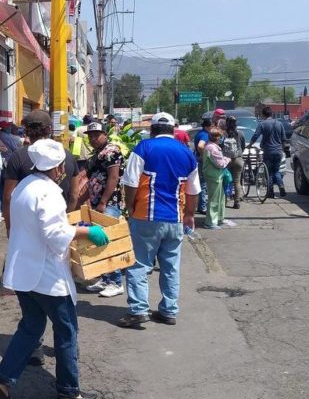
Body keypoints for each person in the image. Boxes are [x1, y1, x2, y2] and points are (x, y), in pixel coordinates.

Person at [0, 139, 107, 399]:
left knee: (31, 326)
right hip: (46, 274)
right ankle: (68, 389)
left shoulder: (24, 187)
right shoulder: (49, 193)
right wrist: (87, 231)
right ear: (59, 167)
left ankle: (2, 380)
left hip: (24, 271)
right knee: (66, 329)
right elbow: (55, 235)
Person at [117, 113, 200, 328]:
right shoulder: (187, 153)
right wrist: (189, 214)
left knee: (139, 265)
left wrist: (130, 207)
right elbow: (194, 191)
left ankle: (138, 310)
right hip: (175, 218)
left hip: (146, 216)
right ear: (173, 130)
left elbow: (131, 183)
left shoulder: (144, 148)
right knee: (171, 266)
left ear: (152, 130)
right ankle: (169, 310)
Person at [3, 110, 80, 235]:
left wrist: (9, 227)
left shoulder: (18, 156)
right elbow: (74, 194)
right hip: (58, 227)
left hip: (26, 228)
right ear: (49, 129)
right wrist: (66, 223)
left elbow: (8, 197)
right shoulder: (66, 154)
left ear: (26, 130)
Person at [79, 121, 125, 298]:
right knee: (99, 241)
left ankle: (116, 282)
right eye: (90, 136)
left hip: (109, 203)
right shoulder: (96, 155)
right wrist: (85, 200)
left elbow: (113, 178)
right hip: (97, 202)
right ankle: (106, 278)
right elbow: (91, 180)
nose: (92, 138)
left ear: (105, 134)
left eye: (96, 135)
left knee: (107, 242)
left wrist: (104, 201)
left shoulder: (111, 151)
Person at [249, 106, 287, 199]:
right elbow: (284, 139)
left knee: (269, 172)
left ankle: (270, 192)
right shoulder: (279, 124)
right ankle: (281, 185)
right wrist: (282, 149)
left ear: (263, 114)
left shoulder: (262, 124)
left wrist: (250, 144)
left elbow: (255, 136)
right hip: (278, 151)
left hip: (268, 151)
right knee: (276, 171)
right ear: (271, 114)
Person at [202, 128, 232, 230]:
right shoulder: (212, 148)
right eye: (220, 136)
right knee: (214, 199)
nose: (222, 138)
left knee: (220, 198)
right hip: (214, 176)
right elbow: (220, 164)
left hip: (216, 175)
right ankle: (210, 222)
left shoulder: (212, 146)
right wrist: (227, 159)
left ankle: (219, 218)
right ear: (216, 137)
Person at [222, 117, 246, 209]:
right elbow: (243, 146)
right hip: (238, 159)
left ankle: (224, 200)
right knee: (237, 182)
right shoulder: (240, 133)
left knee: (225, 181)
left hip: (226, 160)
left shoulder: (224, 133)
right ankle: (237, 202)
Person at [193, 119, 212, 214]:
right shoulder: (205, 135)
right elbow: (200, 146)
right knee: (203, 184)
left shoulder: (200, 133)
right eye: (211, 126)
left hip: (197, 160)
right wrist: (204, 155)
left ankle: (201, 205)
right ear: (207, 127)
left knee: (200, 184)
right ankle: (202, 206)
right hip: (201, 161)